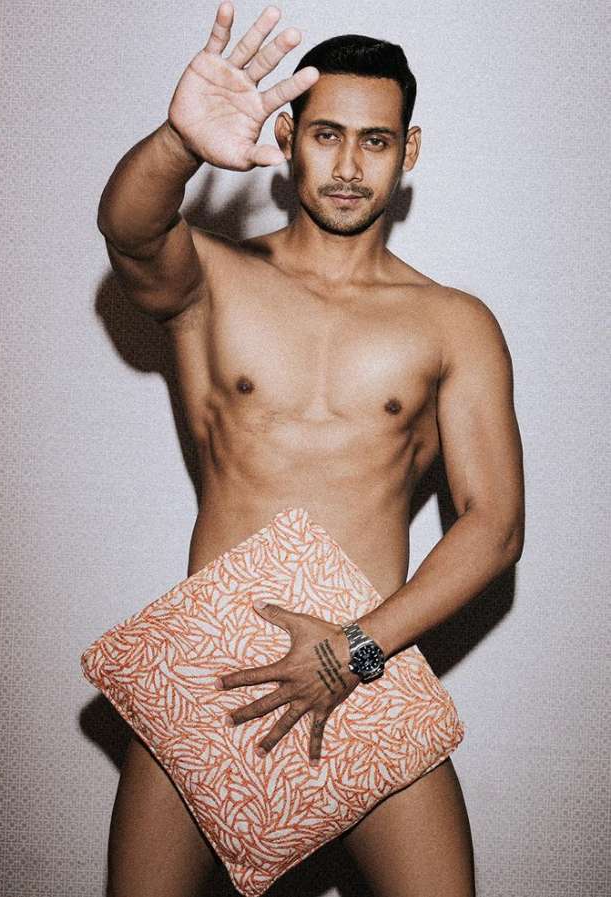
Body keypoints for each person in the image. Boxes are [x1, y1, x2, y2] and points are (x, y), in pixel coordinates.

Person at [97, 3, 525, 895]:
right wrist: (178, 143)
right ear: (288, 138)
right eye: (326, 135)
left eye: (375, 141)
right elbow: (130, 233)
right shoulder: (215, 280)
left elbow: (493, 526)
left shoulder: (453, 323)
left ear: (408, 153)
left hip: (367, 665)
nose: (348, 165)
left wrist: (353, 651)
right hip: (212, 670)